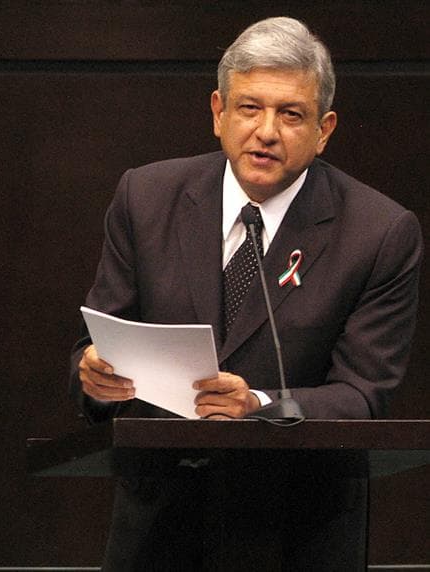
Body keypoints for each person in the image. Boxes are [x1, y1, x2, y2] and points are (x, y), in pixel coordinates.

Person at [69, 16, 423, 570]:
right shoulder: (147, 197)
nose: (266, 131)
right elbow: (99, 341)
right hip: (160, 530)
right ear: (218, 113)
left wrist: (258, 406)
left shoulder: (379, 233)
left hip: (298, 533)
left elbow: (363, 396)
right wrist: (92, 375)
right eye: (249, 108)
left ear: (324, 129)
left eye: (291, 114)